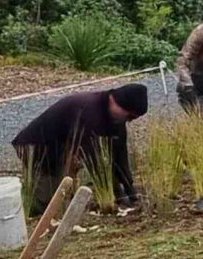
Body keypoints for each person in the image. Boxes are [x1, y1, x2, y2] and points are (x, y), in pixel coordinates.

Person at [13, 82, 145, 209]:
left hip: (61, 147)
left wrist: (130, 190)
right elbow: (95, 162)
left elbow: (119, 156)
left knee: (59, 193)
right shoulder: (90, 112)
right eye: (129, 116)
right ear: (116, 102)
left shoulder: (115, 118)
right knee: (46, 200)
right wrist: (115, 194)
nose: (129, 121)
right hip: (36, 146)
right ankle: (14, 209)